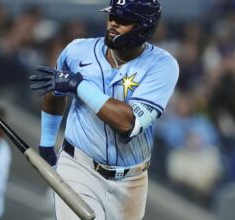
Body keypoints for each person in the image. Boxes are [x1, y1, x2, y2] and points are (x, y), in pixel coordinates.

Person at [29, 0, 179, 219]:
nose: (113, 24)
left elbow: (129, 124)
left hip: (132, 182)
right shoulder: (77, 51)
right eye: (112, 16)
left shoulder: (162, 66)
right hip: (79, 168)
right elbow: (54, 93)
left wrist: (79, 86)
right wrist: (46, 143)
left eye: (123, 20)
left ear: (144, 26)